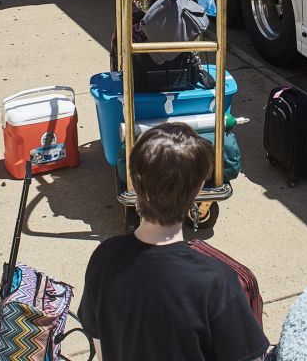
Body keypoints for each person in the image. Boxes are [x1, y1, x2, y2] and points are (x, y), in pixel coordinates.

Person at [77, 123, 269, 361]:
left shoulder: (104, 258)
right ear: (199, 188)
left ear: (134, 183)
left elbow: (101, 346)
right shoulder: (215, 281)